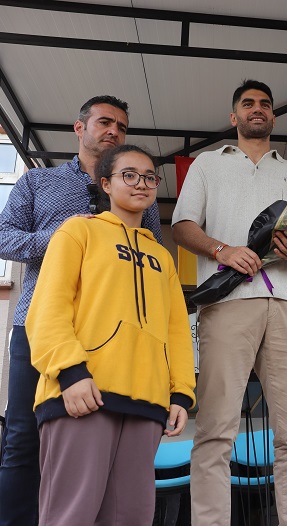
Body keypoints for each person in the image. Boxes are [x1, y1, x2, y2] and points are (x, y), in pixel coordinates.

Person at [0, 95, 162, 526]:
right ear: (79, 128)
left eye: (121, 127)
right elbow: (3, 236)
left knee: (102, 444)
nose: (113, 131)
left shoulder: (140, 194)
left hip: (114, 339)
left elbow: (154, 255)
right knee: (22, 439)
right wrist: (63, 236)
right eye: (105, 122)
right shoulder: (39, 182)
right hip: (40, 326)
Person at [172, 80, 287, 526]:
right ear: (234, 116)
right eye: (248, 103)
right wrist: (223, 250)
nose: (258, 109)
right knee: (216, 430)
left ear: (273, 117)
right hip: (228, 301)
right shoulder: (206, 163)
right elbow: (182, 226)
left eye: (265, 104)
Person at [25, 145, 195, 525]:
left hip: (147, 402)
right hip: (82, 393)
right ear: (105, 183)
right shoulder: (78, 230)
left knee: (132, 516)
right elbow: (48, 308)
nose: (141, 184)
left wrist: (181, 392)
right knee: (71, 515)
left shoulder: (163, 257)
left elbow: (177, 330)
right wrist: (70, 372)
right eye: (129, 175)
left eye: (149, 177)